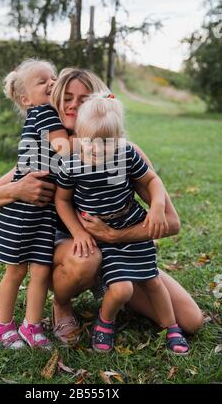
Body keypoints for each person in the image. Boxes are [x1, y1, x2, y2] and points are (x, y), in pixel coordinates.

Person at [0, 67, 203, 348]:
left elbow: (172, 223)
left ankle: (117, 292)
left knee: (191, 321)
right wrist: (16, 189)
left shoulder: (121, 151)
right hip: (73, 250)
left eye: (83, 99)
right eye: (66, 97)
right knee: (86, 258)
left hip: (119, 249)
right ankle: (62, 304)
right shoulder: (48, 154)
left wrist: (117, 236)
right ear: (55, 101)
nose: (73, 105)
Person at [55, 94, 189, 354]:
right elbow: (62, 201)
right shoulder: (70, 164)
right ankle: (105, 322)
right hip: (102, 239)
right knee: (122, 289)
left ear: (118, 139)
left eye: (105, 142)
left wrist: (158, 207)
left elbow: (152, 181)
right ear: (78, 135)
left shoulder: (126, 154)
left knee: (153, 281)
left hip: (131, 226)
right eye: (89, 141)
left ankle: (172, 328)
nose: (95, 148)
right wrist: (78, 232)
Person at [0, 58, 72, 351]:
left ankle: (32, 325)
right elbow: (66, 150)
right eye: (42, 82)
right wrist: (95, 141)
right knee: (16, 270)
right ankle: (3, 323)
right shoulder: (44, 114)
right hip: (22, 211)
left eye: (53, 77)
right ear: (26, 99)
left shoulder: (48, 115)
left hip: (45, 209)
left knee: (40, 269)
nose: (52, 83)